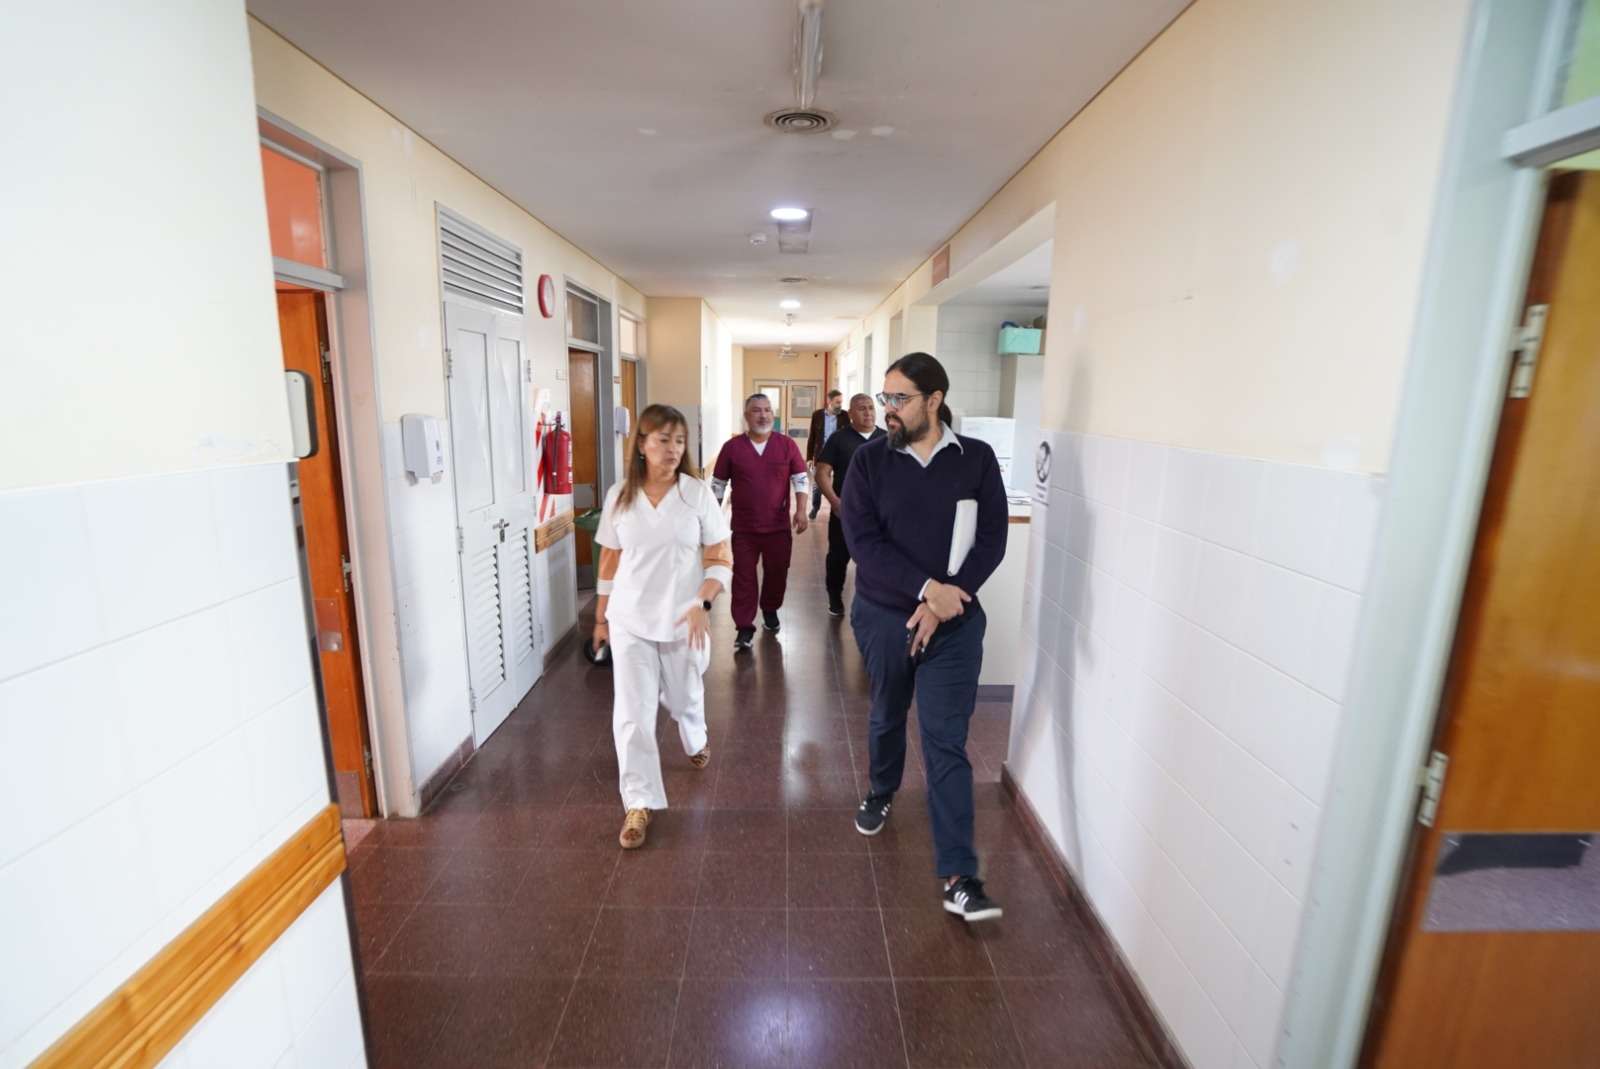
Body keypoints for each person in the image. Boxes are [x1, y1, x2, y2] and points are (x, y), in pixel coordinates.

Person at [840, 353, 1009, 921]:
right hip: (884, 616)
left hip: (955, 622)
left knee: (944, 739)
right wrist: (927, 591)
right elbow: (864, 544)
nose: (888, 409)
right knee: (888, 711)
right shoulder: (869, 462)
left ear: (934, 400)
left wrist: (948, 598)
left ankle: (960, 876)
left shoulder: (975, 459)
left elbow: (991, 538)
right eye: (884, 397)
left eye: (900, 399)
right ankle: (881, 788)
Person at [593, 405, 732, 849]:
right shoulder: (620, 496)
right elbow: (610, 560)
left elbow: (719, 555)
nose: (672, 449)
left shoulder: (696, 494)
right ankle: (638, 801)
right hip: (630, 619)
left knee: (684, 696)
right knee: (632, 713)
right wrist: (600, 618)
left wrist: (703, 601)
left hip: (682, 618)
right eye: (663, 440)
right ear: (641, 444)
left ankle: (695, 735)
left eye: (679, 441)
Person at [711, 394, 809, 651]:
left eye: (767, 410)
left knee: (777, 572)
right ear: (746, 416)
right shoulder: (732, 448)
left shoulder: (786, 445)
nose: (763, 415)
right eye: (756, 410)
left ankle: (770, 608)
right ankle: (744, 627)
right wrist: (711, 519)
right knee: (743, 577)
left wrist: (801, 510)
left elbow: (800, 477)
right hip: (744, 528)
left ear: (772, 415)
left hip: (778, 527)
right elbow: (718, 485)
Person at [815, 393, 885, 617]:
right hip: (845, 512)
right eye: (862, 408)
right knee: (838, 557)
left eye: (871, 407)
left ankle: (875, 601)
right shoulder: (839, 439)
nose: (868, 412)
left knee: (877, 559)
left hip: (878, 515)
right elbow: (822, 473)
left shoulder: (887, 439)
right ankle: (835, 597)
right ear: (851, 413)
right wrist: (835, 502)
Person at [805, 389, 845, 519]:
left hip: (839, 455)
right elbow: (812, 437)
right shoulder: (817, 415)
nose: (840, 405)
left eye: (841, 402)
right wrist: (809, 457)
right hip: (821, 454)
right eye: (837, 402)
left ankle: (838, 508)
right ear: (829, 401)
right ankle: (815, 508)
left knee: (839, 482)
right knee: (818, 483)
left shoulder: (845, 416)